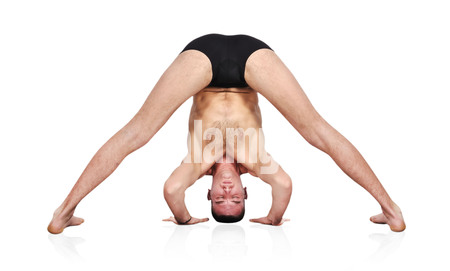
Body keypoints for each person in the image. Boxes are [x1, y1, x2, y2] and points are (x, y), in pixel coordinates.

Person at [48, 34, 406, 234]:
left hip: (201, 62)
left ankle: (63, 213)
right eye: (236, 201)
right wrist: (273, 218)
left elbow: (172, 190)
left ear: (208, 192)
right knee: (316, 131)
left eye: (219, 201)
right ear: (247, 190)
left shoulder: (195, 164)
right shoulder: (257, 161)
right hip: (252, 62)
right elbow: (284, 186)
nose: (227, 194)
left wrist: (185, 219)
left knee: (137, 133)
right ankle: (391, 211)